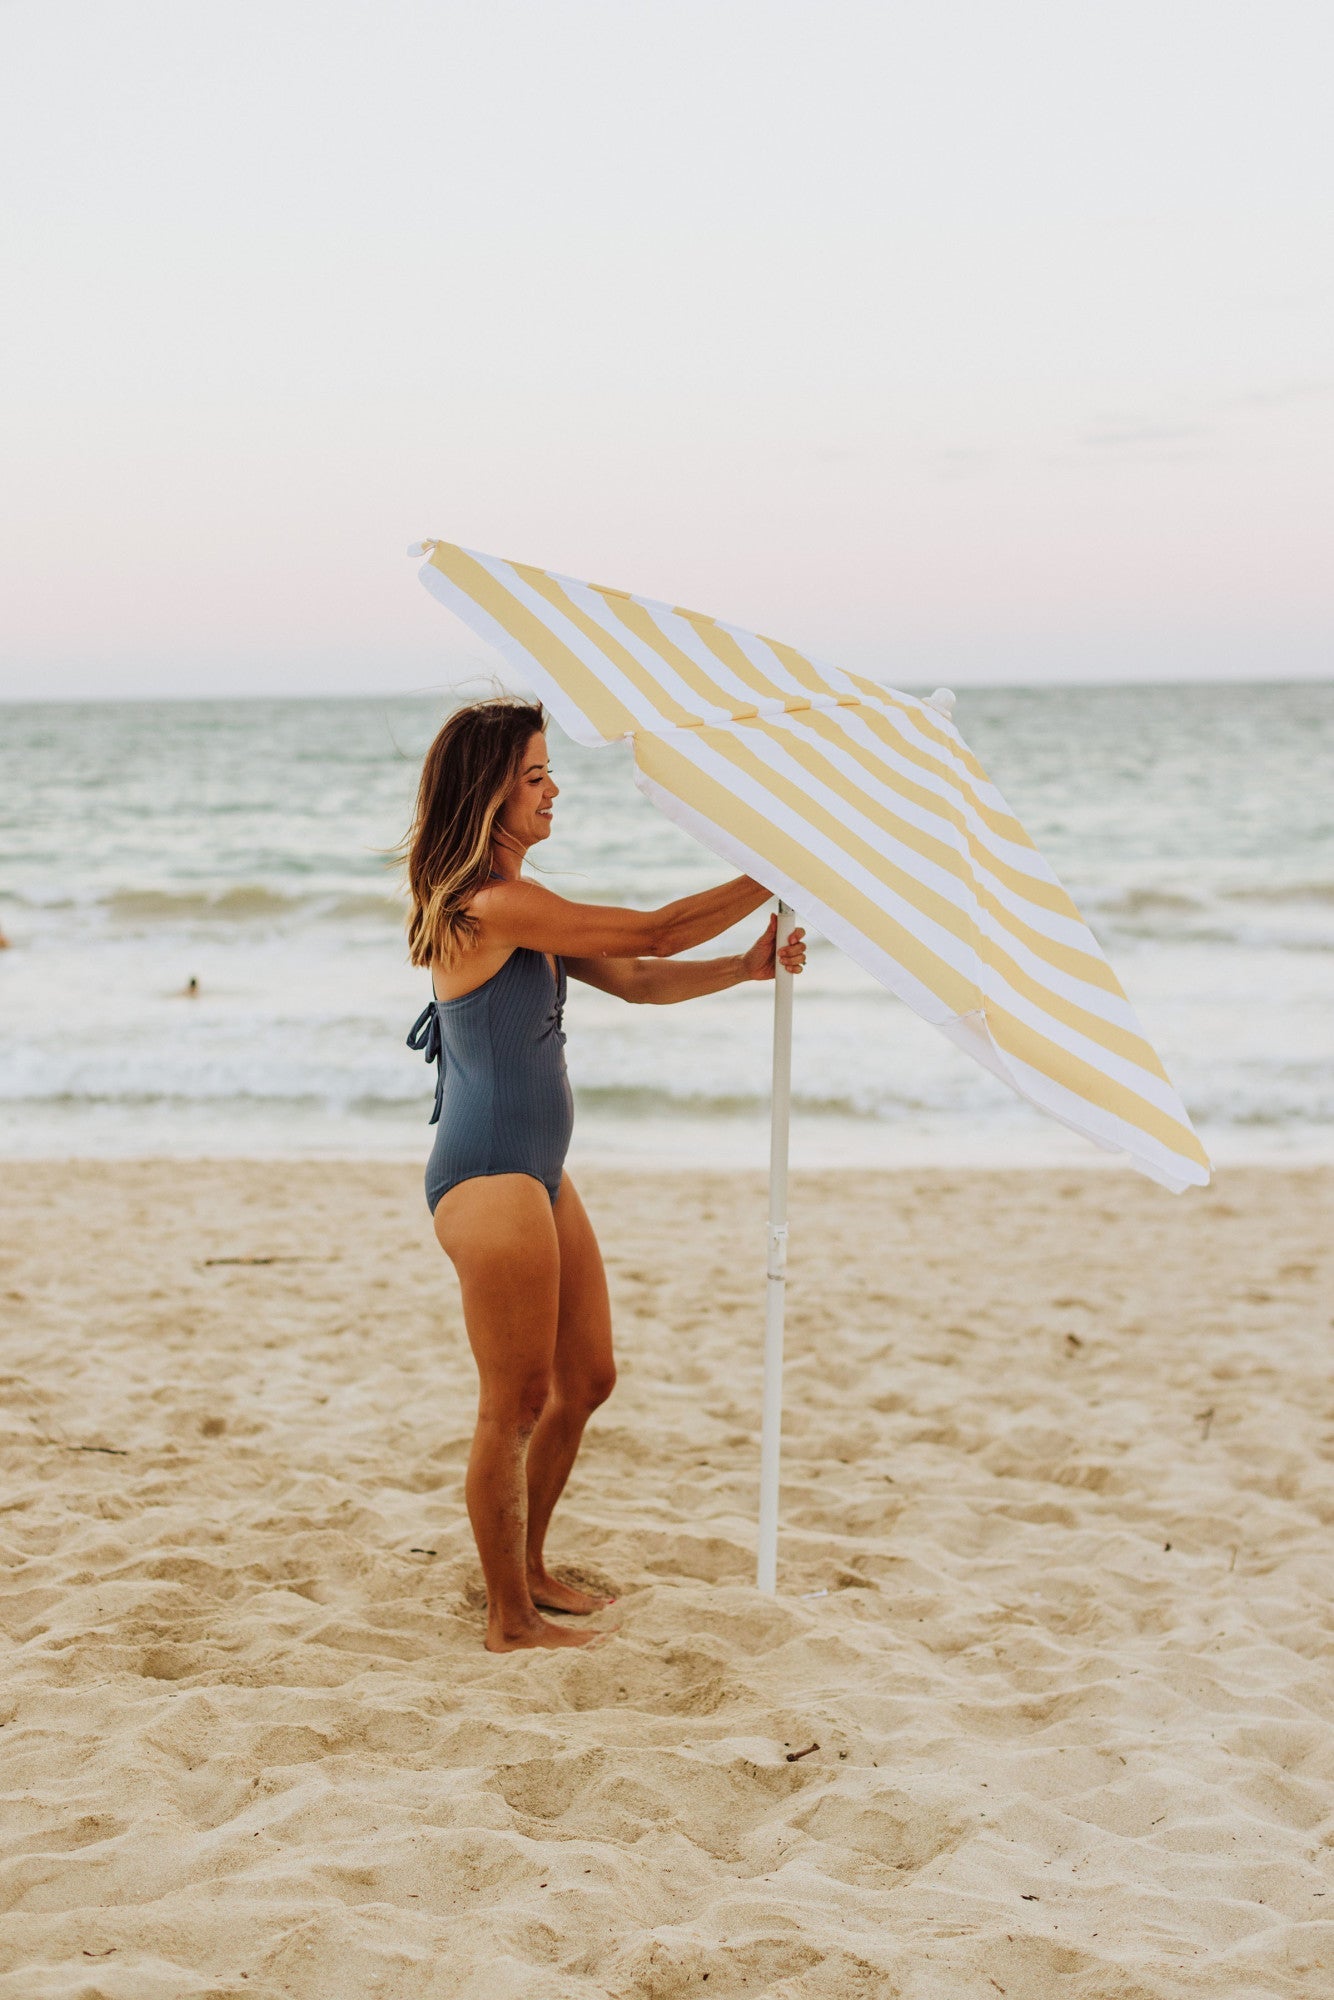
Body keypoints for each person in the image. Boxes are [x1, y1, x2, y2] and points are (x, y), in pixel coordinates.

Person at [403, 698, 806, 1652]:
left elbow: (637, 978)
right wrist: (781, 868)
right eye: (534, 776)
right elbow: (654, 932)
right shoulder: (489, 905)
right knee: (513, 1405)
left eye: (549, 773)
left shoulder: (522, 905)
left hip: (538, 1173)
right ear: (489, 794)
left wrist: (745, 969)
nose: (553, 791)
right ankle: (508, 1619)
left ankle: (531, 1568)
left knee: (585, 1377)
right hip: (488, 1176)